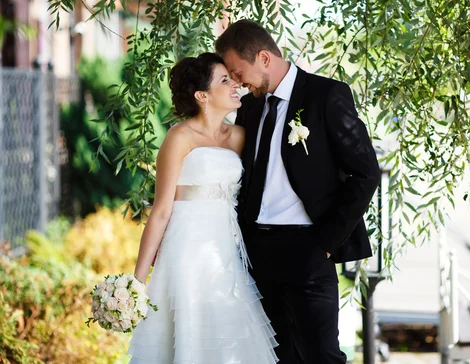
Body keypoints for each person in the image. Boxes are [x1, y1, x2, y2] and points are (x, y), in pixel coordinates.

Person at [216, 19, 381, 364]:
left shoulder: (327, 95)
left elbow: (365, 173)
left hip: (308, 248)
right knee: (274, 357)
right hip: (257, 251)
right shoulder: (250, 107)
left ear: (263, 57)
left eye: (237, 71)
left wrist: (326, 242)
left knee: (322, 357)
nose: (236, 81)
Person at [127, 52, 278, 363]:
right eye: (225, 80)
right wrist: (136, 283)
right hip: (186, 250)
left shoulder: (238, 136)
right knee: (188, 336)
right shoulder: (179, 137)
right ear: (202, 96)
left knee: (230, 339)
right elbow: (161, 211)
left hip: (223, 251)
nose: (235, 84)